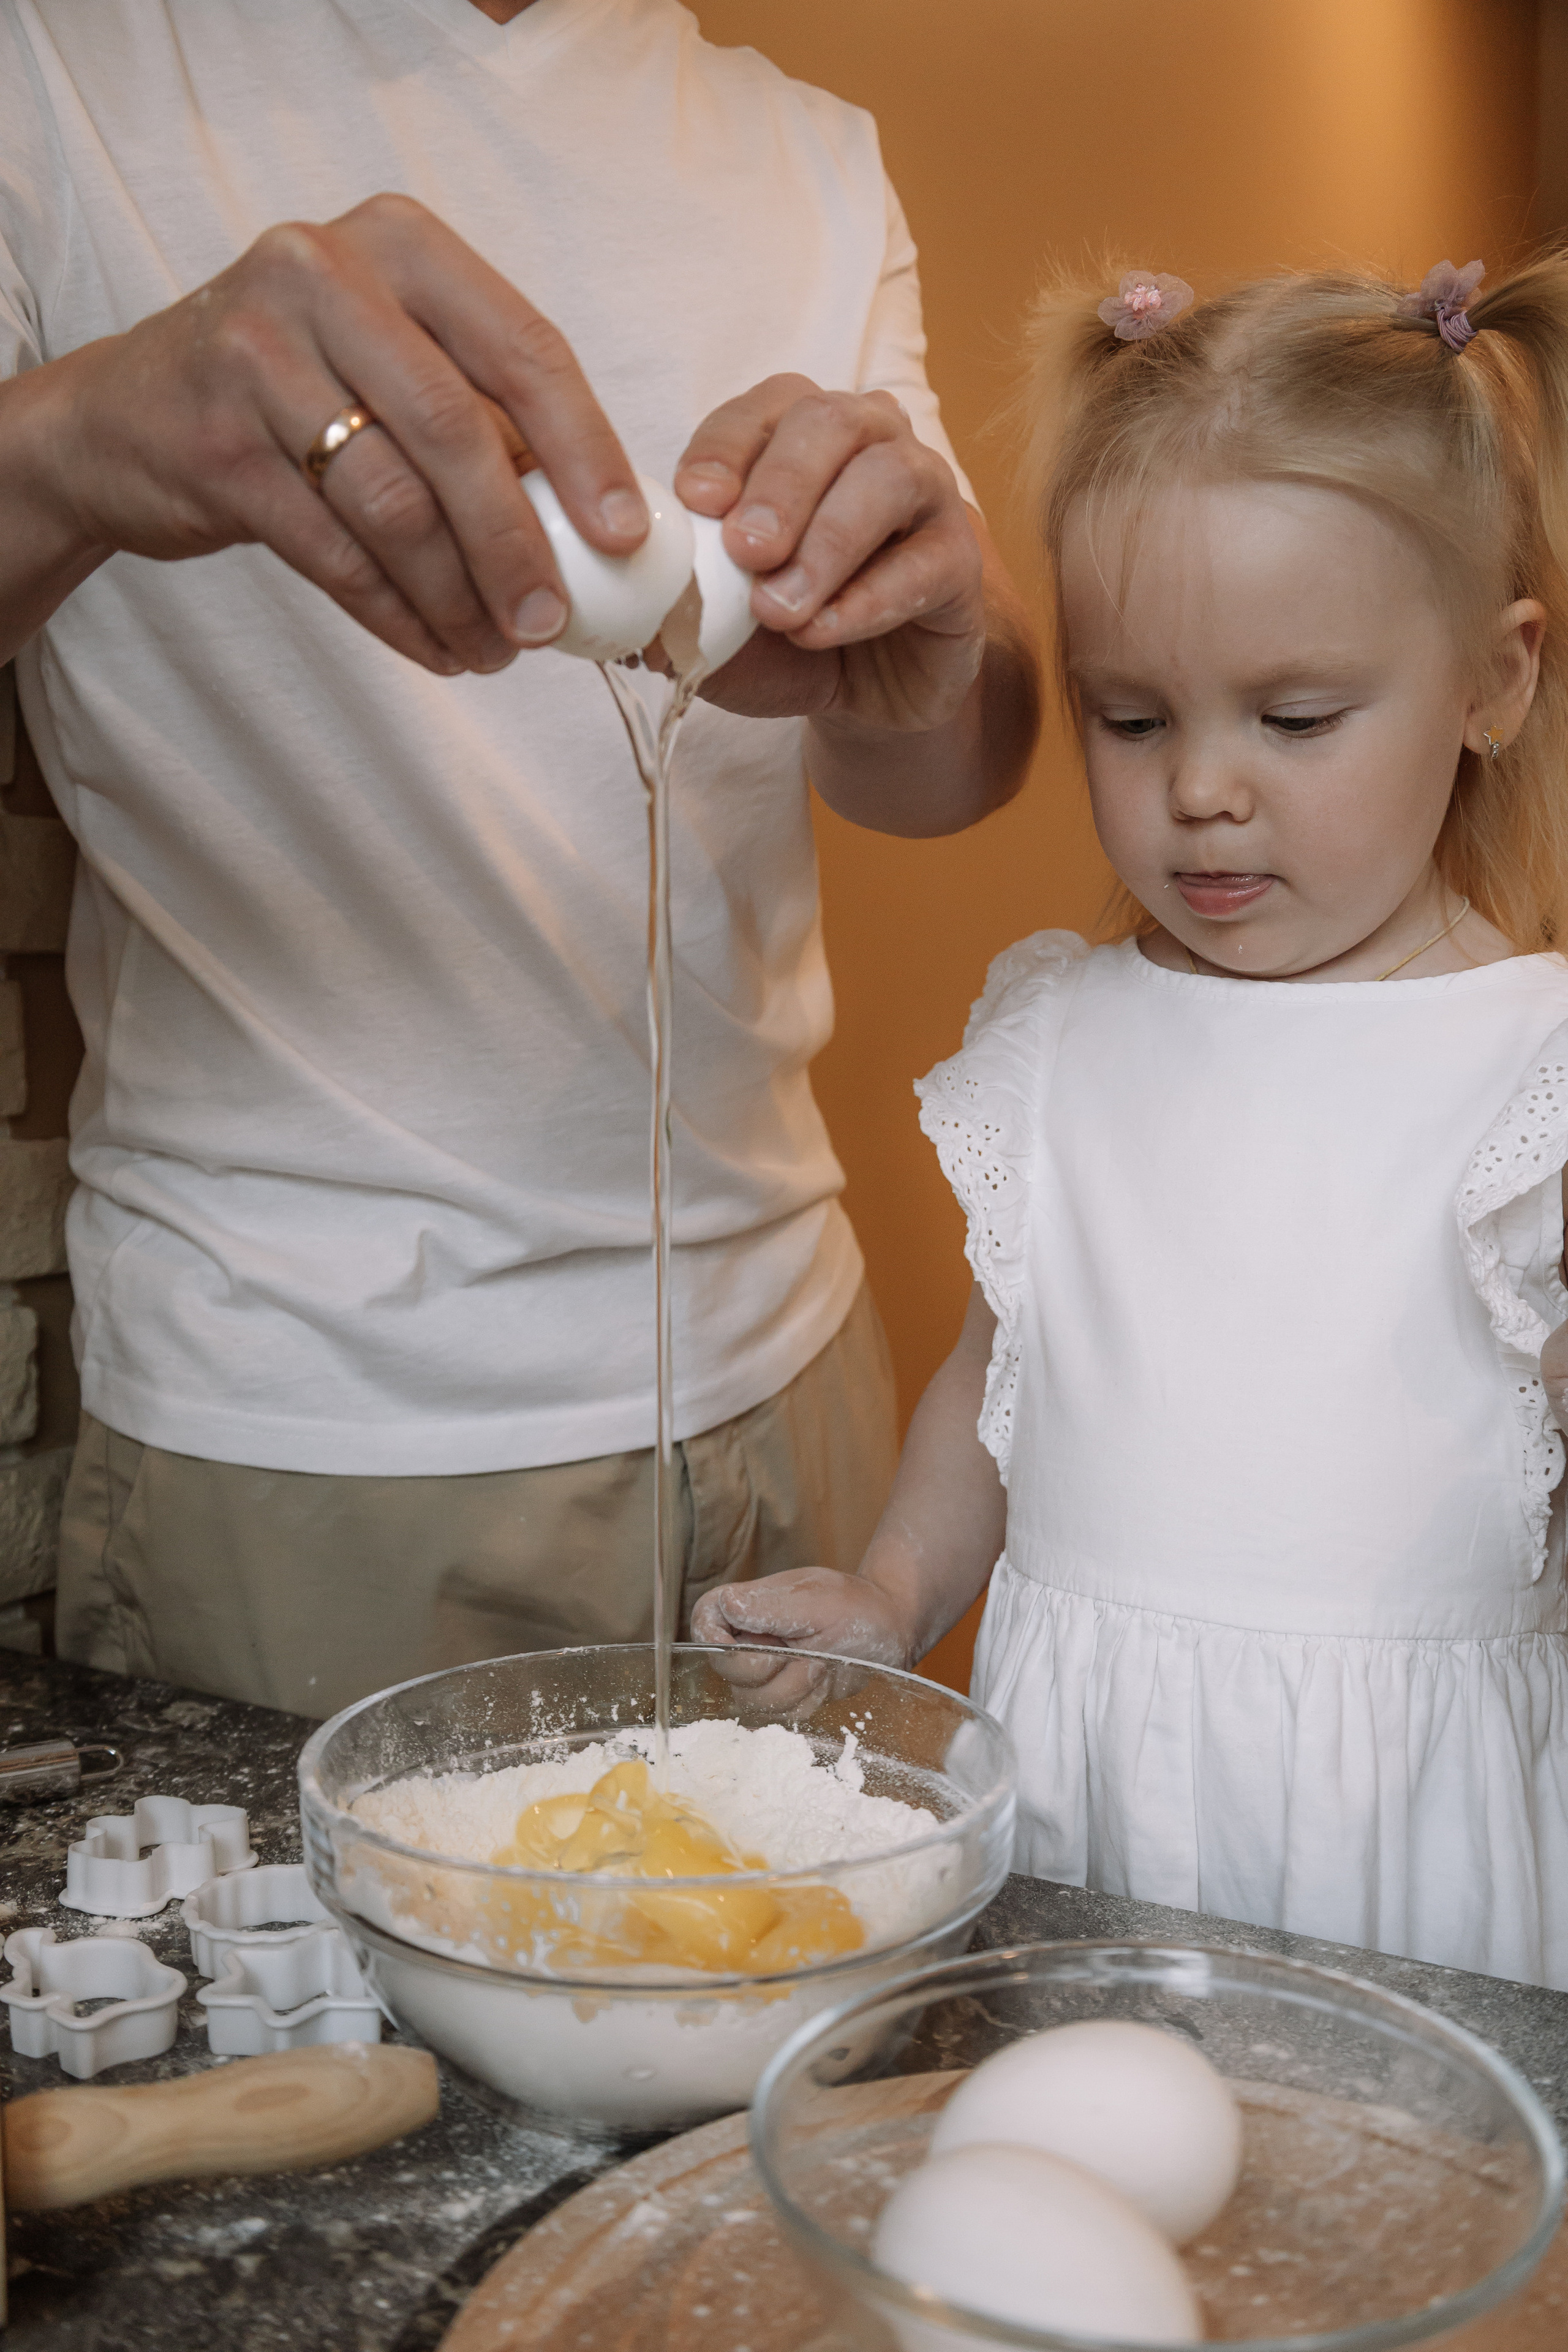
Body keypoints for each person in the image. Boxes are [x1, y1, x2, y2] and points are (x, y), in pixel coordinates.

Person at [0, 0, 1040, 1718]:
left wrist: (943, 645)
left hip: (799, 1380)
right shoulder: (63, 67)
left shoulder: (806, 153)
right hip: (319, 1432)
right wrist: (86, 430)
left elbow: (946, 769)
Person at [696, 252, 1568, 1989]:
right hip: (1086, 1791)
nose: (1201, 789)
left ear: (1494, 683)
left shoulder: (1528, 1078)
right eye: (1131, 716)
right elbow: (999, 1376)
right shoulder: (1064, 1037)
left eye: (1296, 717)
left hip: (1408, 1830)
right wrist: (891, 1595)